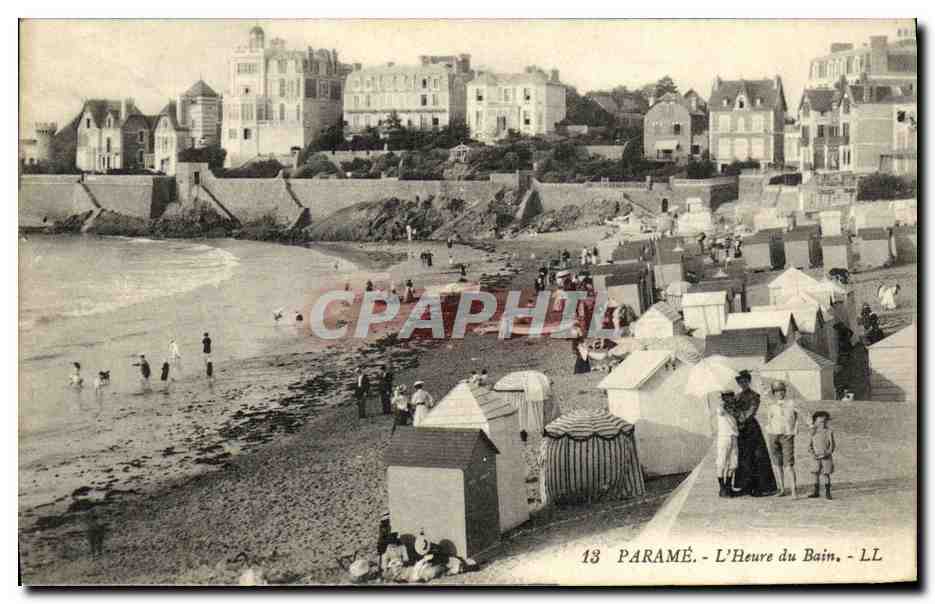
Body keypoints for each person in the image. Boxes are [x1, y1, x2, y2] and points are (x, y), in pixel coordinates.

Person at [732, 370, 777, 497]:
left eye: (745, 381)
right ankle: (746, 486)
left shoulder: (754, 396)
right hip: (741, 430)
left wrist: (739, 416)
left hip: (751, 429)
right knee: (744, 457)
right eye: (740, 382)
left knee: (757, 456)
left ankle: (760, 487)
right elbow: (733, 410)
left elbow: (751, 412)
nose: (743, 384)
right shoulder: (736, 397)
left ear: (749, 381)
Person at [765, 381, 800, 498]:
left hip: (787, 436)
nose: (779, 393)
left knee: (789, 464)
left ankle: (794, 491)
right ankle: (782, 489)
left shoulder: (791, 403)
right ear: (773, 393)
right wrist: (769, 432)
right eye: (776, 391)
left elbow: (798, 418)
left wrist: (793, 432)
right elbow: (769, 420)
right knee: (777, 464)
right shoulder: (771, 405)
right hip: (773, 435)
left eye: (781, 390)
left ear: (785, 391)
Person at [715, 391, 740, 498]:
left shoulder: (734, 409)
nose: (730, 399)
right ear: (724, 398)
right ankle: (722, 489)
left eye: (731, 397)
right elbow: (721, 411)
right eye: (727, 397)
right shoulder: (721, 408)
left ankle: (728, 487)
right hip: (724, 437)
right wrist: (722, 402)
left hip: (734, 437)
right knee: (721, 462)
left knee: (733, 463)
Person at [808, 411, 835, 500]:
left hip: (826, 457)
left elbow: (832, 446)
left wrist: (827, 454)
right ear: (815, 422)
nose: (822, 424)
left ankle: (828, 492)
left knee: (826, 474)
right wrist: (813, 454)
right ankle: (816, 492)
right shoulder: (813, 433)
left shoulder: (829, 432)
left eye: (824, 422)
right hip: (815, 457)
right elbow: (809, 446)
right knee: (815, 474)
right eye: (820, 422)